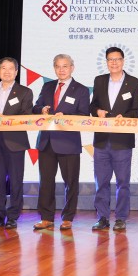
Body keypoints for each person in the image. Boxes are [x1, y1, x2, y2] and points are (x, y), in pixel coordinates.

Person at [32, 54, 90, 230]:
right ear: (54, 68)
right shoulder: (47, 86)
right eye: (58, 66)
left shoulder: (81, 89)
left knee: (70, 182)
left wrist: (66, 118)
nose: (61, 69)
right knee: (46, 182)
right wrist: (42, 109)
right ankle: (46, 217)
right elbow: (35, 108)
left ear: (72, 67)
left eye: (65, 66)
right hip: (47, 141)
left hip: (69, 142)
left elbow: (83, 116)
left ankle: (68, 217)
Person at [89, 47, 138, 231]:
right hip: (102, 140)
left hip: (123, 140)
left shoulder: (134, 83)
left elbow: (137, 111)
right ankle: (102, 217)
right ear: (106, 61)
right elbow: (93, 104)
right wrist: (97, 111)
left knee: (122, 182)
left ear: (123, 61)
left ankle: (121, 218)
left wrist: (125, 118)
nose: (114, 63)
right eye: (110, 59)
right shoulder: (99, 80)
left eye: (117, 59)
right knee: (101, 181)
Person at [0, 57, 34, 230]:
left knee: (15, 181)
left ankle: (13, 216)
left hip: (15, 141)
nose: (6, 71)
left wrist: (7, 119)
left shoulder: (25, 92)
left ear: (16, 72)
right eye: (3, 68)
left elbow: (27, 116)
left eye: (10, 68)